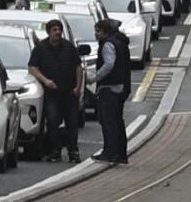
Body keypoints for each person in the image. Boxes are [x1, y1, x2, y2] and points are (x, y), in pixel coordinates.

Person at [28, 19, 84, 163]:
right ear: (49, 32)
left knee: (72, 123)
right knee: (53, 121)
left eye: (59, 29)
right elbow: (33, 67)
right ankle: (55, 151)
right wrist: (46, 80)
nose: (58, 32)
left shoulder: (69, 47)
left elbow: (78, 67)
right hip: (52, 94)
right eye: (54, 30)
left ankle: (73, 151)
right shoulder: (40, 48)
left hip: (70, 93)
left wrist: (78, 87)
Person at [91, 18, 130, 163]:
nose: (96, 34)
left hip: (109, 87)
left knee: (108, 121)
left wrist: (95, 78)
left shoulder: (108, 44)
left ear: (105, 31)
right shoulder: (120, 41)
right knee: (117, 121)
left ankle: (110, 152)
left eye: (98, 31)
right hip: (120, 86)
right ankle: (120, 153)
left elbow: (109, 64)